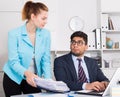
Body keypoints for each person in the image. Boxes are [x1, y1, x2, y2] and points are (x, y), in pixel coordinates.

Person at [3, 1, 51, 97]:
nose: (46, 21)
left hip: (33, 79)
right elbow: (13, 61)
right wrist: (27, 74)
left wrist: (48, 81)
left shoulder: (46, 34)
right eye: (43, 18)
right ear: (33, 17)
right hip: (13, 77)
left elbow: (45, 60)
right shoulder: (14, 34)